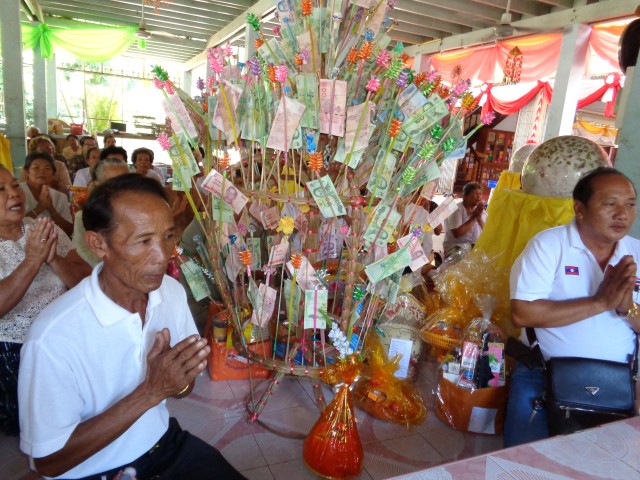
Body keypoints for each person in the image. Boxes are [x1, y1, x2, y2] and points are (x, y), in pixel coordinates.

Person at [18, 174, 246, 479]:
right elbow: (48, 461)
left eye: (168, 236)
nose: (162, 256)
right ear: (98, 244)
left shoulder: (170, 292)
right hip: (94, 471)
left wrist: (177, 376)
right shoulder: (52, 337)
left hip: (163, 444)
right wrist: (151, 391)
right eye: (143, 241)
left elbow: (182, 388)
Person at [503, 167, 640, 447]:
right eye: (610, 204)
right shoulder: (549, 246)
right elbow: (522, 313)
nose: (622, 214)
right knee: (526, 461)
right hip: (542, 377)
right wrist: (600, 302)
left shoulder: (636, 252)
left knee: (599, 461)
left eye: (630, 205)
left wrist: (628, 309)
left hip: (616, 383)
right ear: (579, 209)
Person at [0, 166, 90, 436]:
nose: (13, 194)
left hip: (66, 339)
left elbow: (87, 283)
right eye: (1, 190)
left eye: (15, 185)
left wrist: (53, 259)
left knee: (85, 408)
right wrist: (32, 260)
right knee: (38, 425)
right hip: (14, 349)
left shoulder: (42, 229)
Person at [72, 157, 131, 266]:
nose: (120, 186)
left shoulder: (141, 212)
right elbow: (82, 251)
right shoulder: (84, 216)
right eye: (112, 181)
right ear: (98, 184)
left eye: (126, 180)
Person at [20, 152, 73, 237]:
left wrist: (51, 209)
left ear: (53, 174)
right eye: (36, 167)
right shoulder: (17, 192)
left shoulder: (60, 197)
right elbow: (11, 225)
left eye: (47, 168)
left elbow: (69, 232)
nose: (42, 172)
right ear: (27, 172)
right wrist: (39, 208)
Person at [443, 182, 486, 258]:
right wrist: (474, 217)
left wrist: (479, 217)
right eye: (476, 194)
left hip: (473, 247)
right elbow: (457, 233)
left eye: (480, 194)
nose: (479, 197)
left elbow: (485, 230)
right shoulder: (457, 209)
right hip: (456, 247)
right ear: (465, 196)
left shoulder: (479, 210)